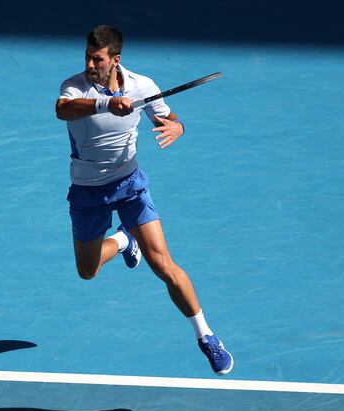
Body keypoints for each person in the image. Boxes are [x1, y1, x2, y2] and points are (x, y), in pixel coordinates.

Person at [55, 25, 233, 375]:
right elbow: (63, 109)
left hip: (129, 183)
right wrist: (107, 102)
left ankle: (206, 336)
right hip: (88, 190)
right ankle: (123, 239)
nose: (90, 64)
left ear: (115, 59)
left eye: (98, 58)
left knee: (163, 264)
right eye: (88, 57)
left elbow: (169, 117)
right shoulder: (74, 87)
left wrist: (178, 127)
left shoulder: (143, 86)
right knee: (87, 272)